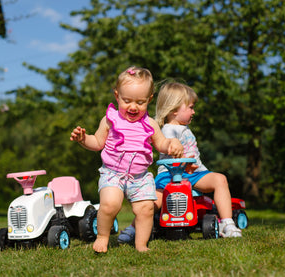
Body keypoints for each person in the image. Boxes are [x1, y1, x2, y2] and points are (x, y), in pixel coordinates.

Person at [70, 67, 184, 253]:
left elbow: (161, 144)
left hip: (140, 177)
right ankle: (102, 237)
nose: (133, 107)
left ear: (149, 100)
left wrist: (172, 142)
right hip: (112, 173)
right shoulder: (110, 120)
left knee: (146, 209)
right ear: (117, 96)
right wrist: (83, 139)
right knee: (110, 204)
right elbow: (97, 142)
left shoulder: (150, 124)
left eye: (140, 102)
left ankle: (140, 244)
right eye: (127, 100)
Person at [118, 81, 241, 243]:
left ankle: (227, 222)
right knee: (153, 202)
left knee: (220, 180)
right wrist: (177, 153)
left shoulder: (183, 128)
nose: (193, 111)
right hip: (170, 175)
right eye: (190, 107)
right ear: (175, 109)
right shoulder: (169, 130)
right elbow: (169, 149)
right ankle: (134, 228)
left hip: (194, 174)